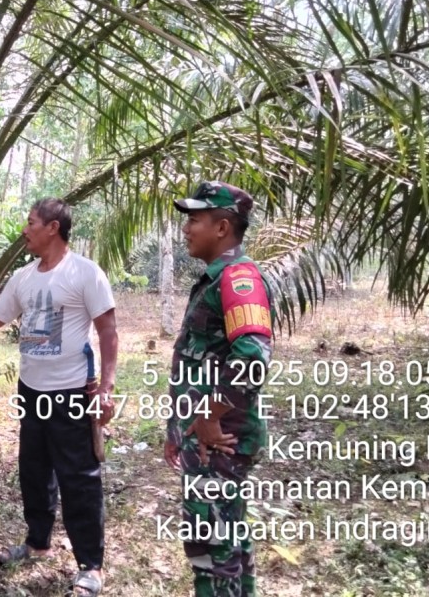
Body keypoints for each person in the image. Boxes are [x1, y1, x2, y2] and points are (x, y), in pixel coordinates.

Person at [0, 198, 118, 597]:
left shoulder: (85, 273)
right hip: (31, 390)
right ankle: (38, 543)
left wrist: (106, 387)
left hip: (70, 391)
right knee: (34, 468)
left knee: (78, 476)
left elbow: (108, 331)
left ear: (53, 228)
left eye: (30, 223)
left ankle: (91, 566)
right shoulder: (24, 278)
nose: (24, 230)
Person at [163, 181, 274, 597]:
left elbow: (252, 358)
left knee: (213, 545)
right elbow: (199, 362)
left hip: (219, 442)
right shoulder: (215, 279)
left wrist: (207, 417)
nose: (186, 229)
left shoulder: (238, 279)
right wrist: (179, 431)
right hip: (204, 441)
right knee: (225, 537)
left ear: (223, 227)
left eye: (194, 220)